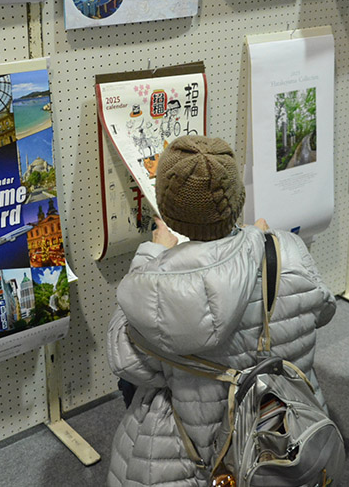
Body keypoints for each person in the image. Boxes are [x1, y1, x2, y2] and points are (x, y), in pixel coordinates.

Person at [106, 135, 336, 487]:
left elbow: (126, 362)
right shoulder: (287, 252)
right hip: (286, 431)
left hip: (194, 457)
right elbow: (323, 310)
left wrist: (151, 258)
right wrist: (258, 242)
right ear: (238, 199)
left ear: (165, 212)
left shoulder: (153, 284)